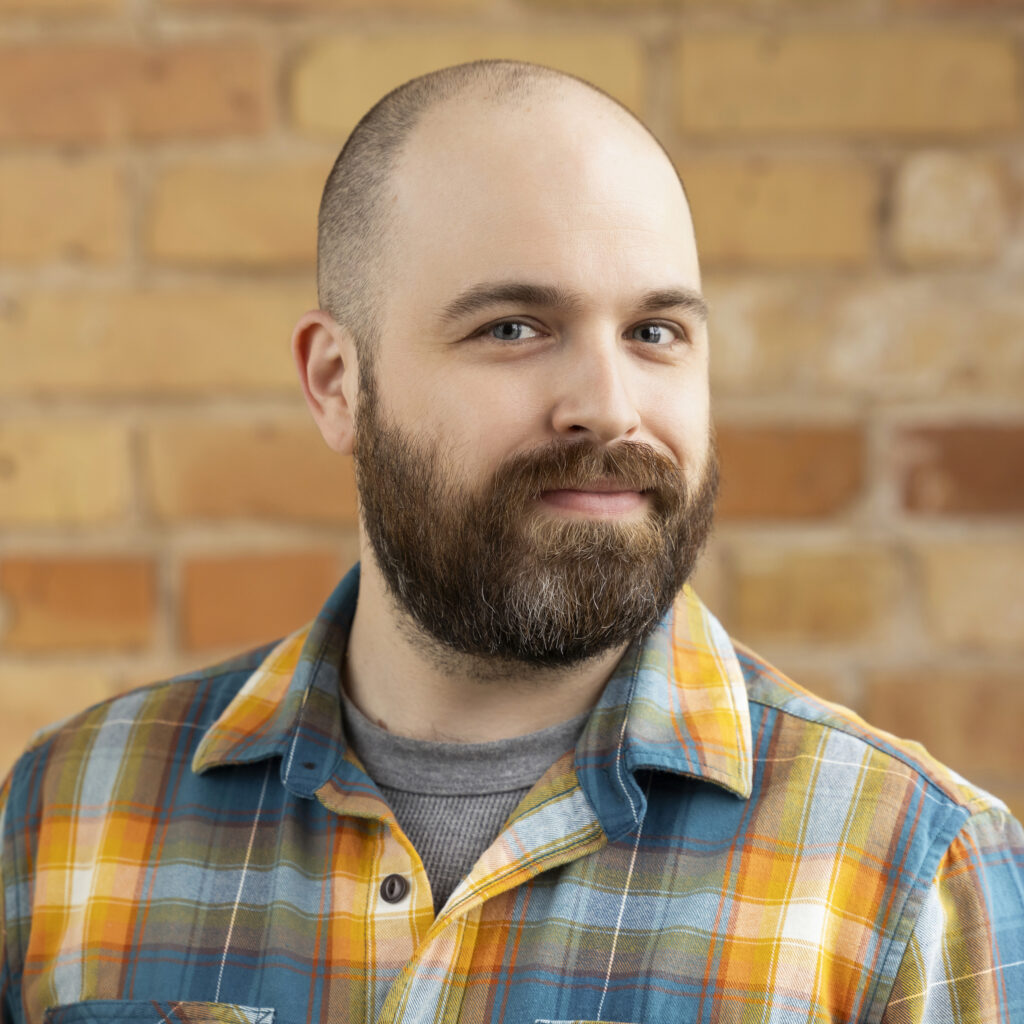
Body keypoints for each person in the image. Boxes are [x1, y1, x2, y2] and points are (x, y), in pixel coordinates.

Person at [1, 59, 1021, 1024]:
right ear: (337, 382)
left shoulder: (916, 872)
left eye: (654, 332)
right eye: (514, 328)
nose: (608, 407)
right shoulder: (64, 817)